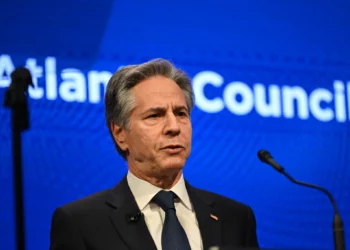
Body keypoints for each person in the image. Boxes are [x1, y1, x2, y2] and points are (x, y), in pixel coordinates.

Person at [50, 58, 259, 250]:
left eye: (180, 113)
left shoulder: (236, 218)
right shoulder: (81, 223)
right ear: (120, 133)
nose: (174, 127)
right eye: (155, 115)